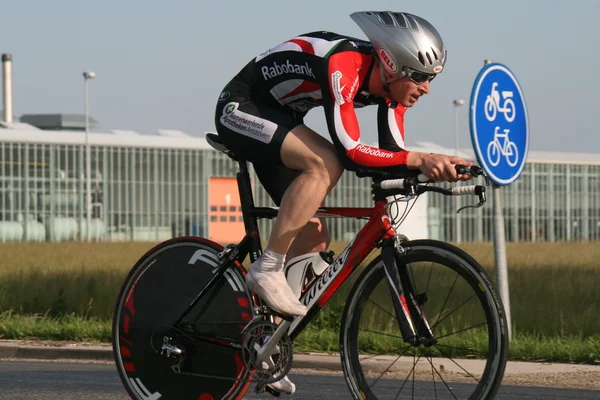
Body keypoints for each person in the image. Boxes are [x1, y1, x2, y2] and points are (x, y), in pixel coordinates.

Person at [214, 11, 472, 395]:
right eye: (419, 76)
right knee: (326, 163)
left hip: (281, 116)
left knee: (313, 233)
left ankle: (264, 343)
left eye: (431, 78)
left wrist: (438, 168)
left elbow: (393, 155)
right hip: (241, 108)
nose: (427, 88)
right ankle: (265, 268)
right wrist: (420, 159)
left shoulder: (391, 91)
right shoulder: (343, 64)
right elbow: (351, 150)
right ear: (390, 64)